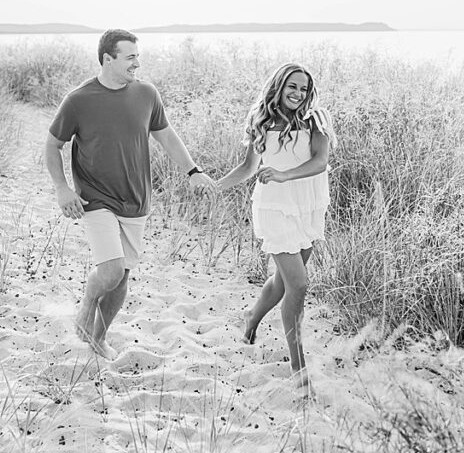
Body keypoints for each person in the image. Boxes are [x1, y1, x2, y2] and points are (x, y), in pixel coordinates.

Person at [45, 29, 217, 359]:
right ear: (107, 59)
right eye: (130, 57)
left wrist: (193, 172)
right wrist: (62, 188)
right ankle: (85, 309)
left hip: (136, 200)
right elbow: (52, 144)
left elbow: (167, 137)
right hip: (94, 198)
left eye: (138, 56)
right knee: (109, 270)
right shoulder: (79, 100)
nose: (137, 63)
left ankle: (99, 336)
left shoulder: (147, 94)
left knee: (122, 276)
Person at [217, 62, 334, 397]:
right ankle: (300, 374)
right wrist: (216, 186)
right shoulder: (261, 120)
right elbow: (248, 167)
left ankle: (251, 320)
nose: (298, 94)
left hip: (309, 205)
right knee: (298, 285)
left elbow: (320, 161)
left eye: (303, 88)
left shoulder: (316, 119)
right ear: (279, 87)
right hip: (273, 206)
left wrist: (285, 174)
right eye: (291, 87)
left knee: (282, 282)